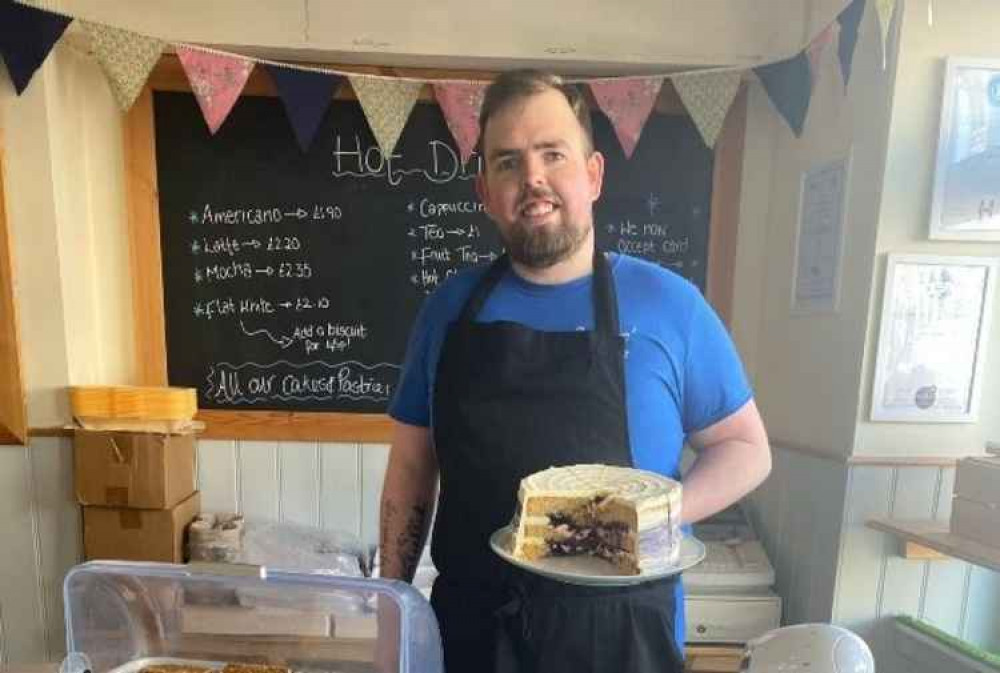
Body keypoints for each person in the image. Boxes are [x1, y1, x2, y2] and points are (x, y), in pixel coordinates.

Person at [378, 69, 771, 673]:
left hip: (623, 637)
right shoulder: (447, 311)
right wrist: (392, 604)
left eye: (551, 154)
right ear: (485, 191)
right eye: (507, 161)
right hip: (476, 633)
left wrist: (657, 514)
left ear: (592, 174)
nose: (532, 177)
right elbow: (410, 468)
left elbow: (746, 449)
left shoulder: (671, 306)